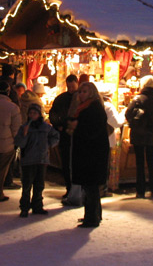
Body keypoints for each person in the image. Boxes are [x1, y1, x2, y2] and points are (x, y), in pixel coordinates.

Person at [68, 82, 111, 228]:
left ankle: (91, 217)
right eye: (80, 92)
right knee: (90, 186)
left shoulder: (92, 109)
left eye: (84, 92)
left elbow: (92, 131)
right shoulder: (86, 107)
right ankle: (93, 214)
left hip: (91, 153)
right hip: (90, 152)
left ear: (91, 93)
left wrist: (77, 127)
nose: (81, 94)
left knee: (90, 185)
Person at [14, 104, 59, 217]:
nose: (32, 115)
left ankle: (37, 205)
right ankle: (24, 207)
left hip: (41, 159)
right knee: (27, 185)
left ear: (39, 114)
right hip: (28, 160)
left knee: (39, 184)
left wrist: (48, 145)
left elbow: (55, 136)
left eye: (35, 113)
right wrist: (24, 134)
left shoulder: (46, 127)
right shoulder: (25, 127)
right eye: (31, 113)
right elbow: (20, 144)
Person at [124, 75, 153, 198]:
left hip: (139, 135)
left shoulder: (137, 99)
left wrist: (132, 123)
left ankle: (140, 190)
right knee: (151, 161)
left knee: (140, 163)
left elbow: (127, 113)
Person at [49, 74, 79, 199]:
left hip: (77, 136)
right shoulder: (61, 99)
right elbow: (53, 113)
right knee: (66, 163)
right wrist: (58, 126)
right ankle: (69, 188)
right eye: (69, 86)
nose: (71, 88)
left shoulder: (81, 98)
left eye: (73, 86)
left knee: (75, 163)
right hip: (65, 135)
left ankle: (76, 190)